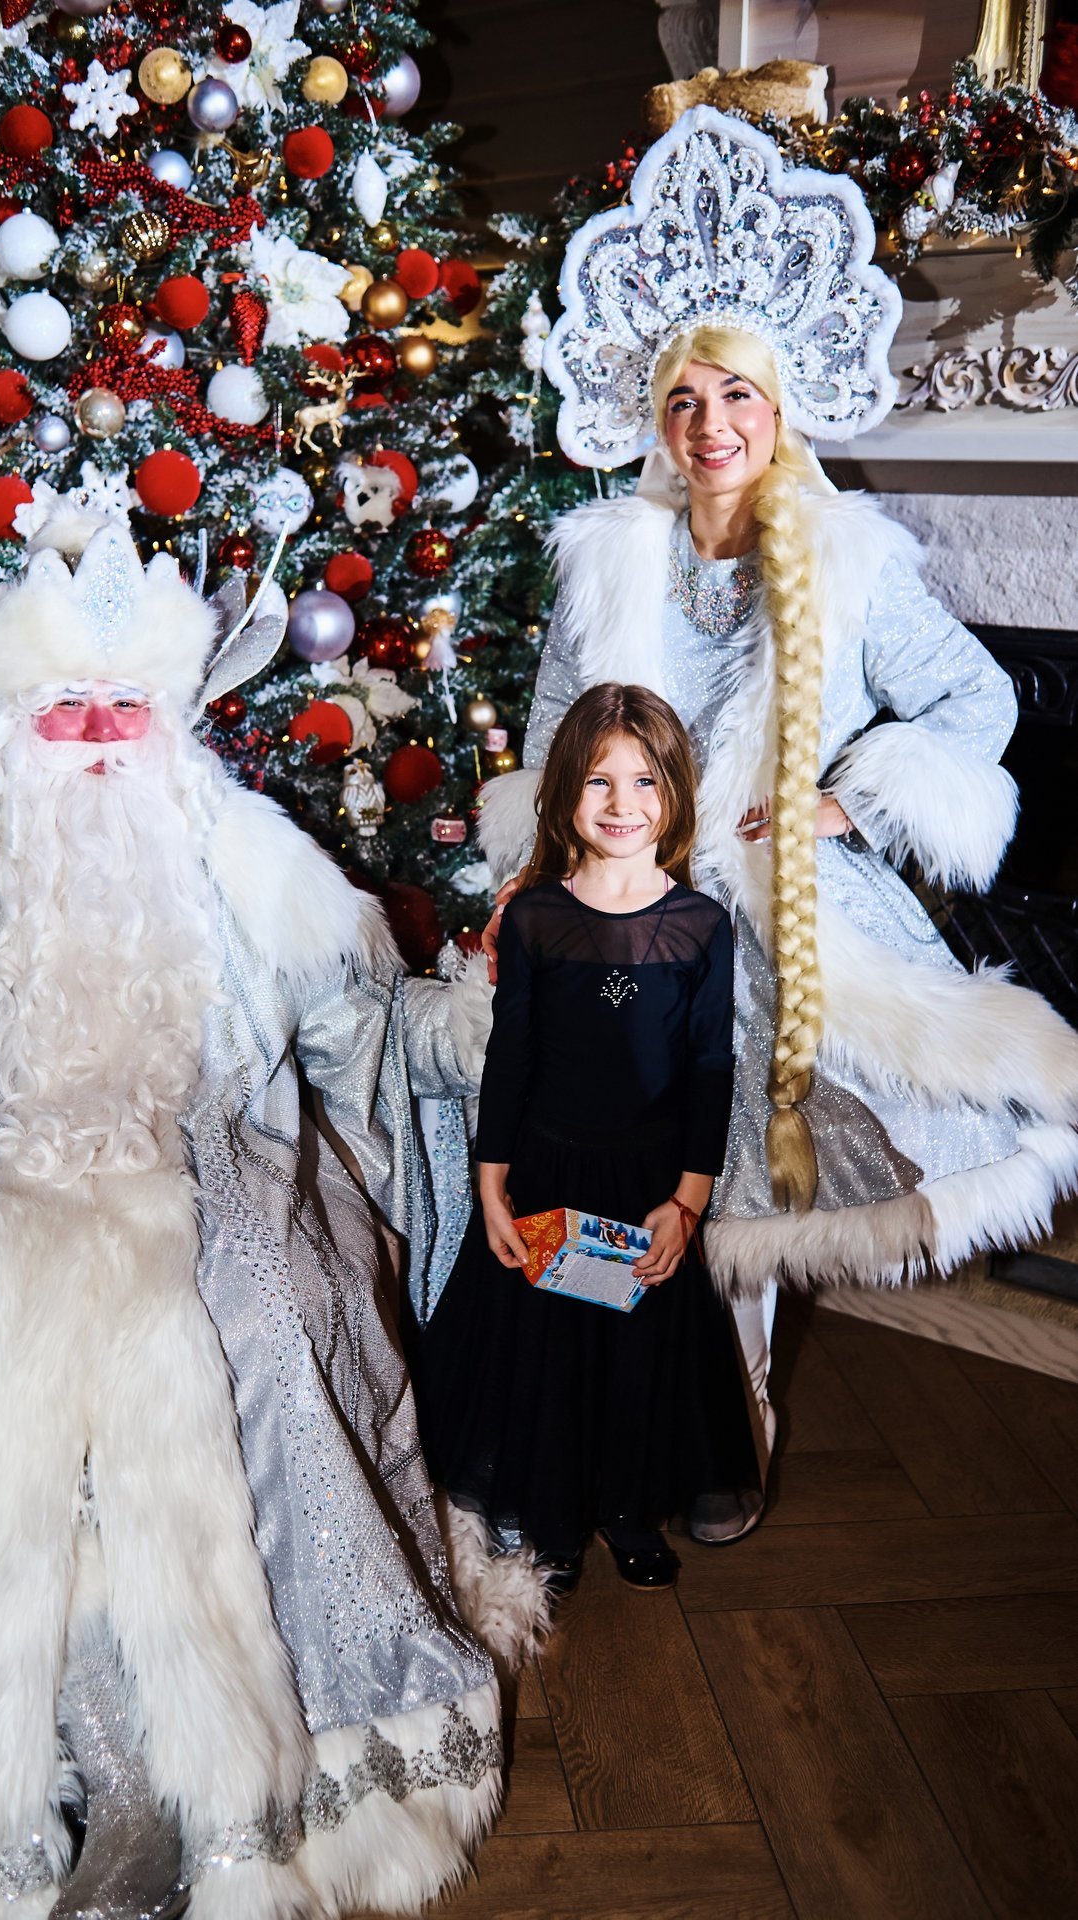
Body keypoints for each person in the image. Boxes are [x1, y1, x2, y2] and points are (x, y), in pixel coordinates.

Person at [0, 519, 544, 1920]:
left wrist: (464, 1031)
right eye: (64, 710)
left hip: (212, 1163)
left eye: (121, 710)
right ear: (6, 731)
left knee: (260, 1332)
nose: (94, 740)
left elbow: (360, 1034)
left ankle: (227, 1776)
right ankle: (86, 1764)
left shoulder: (246, 862)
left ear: (171, 725)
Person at [478, 107, 1078, 1457]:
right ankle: (611, 1404)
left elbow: (978, 700)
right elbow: (554, 728)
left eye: (737, 395)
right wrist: (534, 874)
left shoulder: (849, 557)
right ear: (656, 417)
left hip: (777, 908)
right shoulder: (608, 557)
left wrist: (845, 802)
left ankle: (729, 1413)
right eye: (685, 400)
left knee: (734, 1165)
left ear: (778, 407)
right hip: (619, 892)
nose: (711, 426)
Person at [416, 684, 760, 1594]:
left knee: (637, 1355)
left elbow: (711, 1070)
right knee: (552, 1355)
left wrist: (688, 1203)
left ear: (675, 794)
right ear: (565, 790)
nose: (621, 803)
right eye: (599, 781)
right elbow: (512, 1058)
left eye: (644, 781)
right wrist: (493, 1186)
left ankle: (626, 1511)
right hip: (546, 1173)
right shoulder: (535, 917)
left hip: (650, 1184)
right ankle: (558, 1523)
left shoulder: (702, 927)